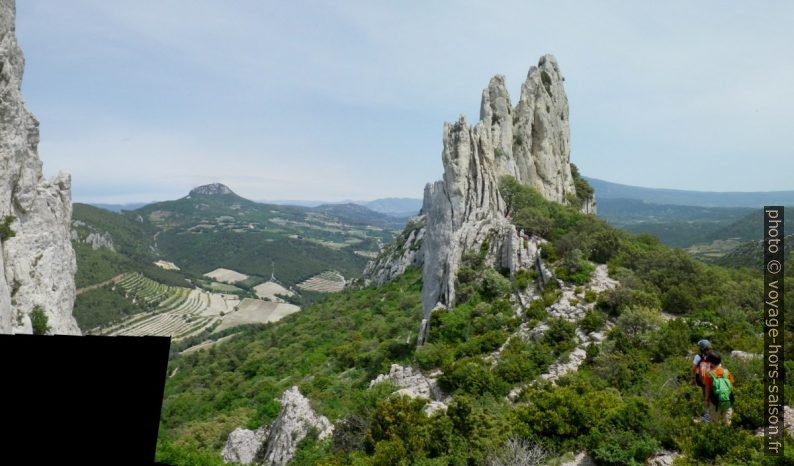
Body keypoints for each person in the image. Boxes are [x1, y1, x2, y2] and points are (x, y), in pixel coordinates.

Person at [702, 351, 735, 425]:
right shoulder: (726, 372)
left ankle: (715, 435)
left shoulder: (709, 374)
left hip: (714, 401)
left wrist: (706, 400)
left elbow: (707, 388)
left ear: (710, 362)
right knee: (727, 421)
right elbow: (731, 385)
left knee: (714, 423)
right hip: (727, 400)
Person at [691, 340, 712, 422]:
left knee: (706, 398)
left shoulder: (698, 356)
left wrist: (693, 378)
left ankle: (707, 417)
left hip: (703, 381)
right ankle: (711, 415)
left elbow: (693, 368)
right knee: (712, 397)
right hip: (712, 379)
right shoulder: (712, 355)